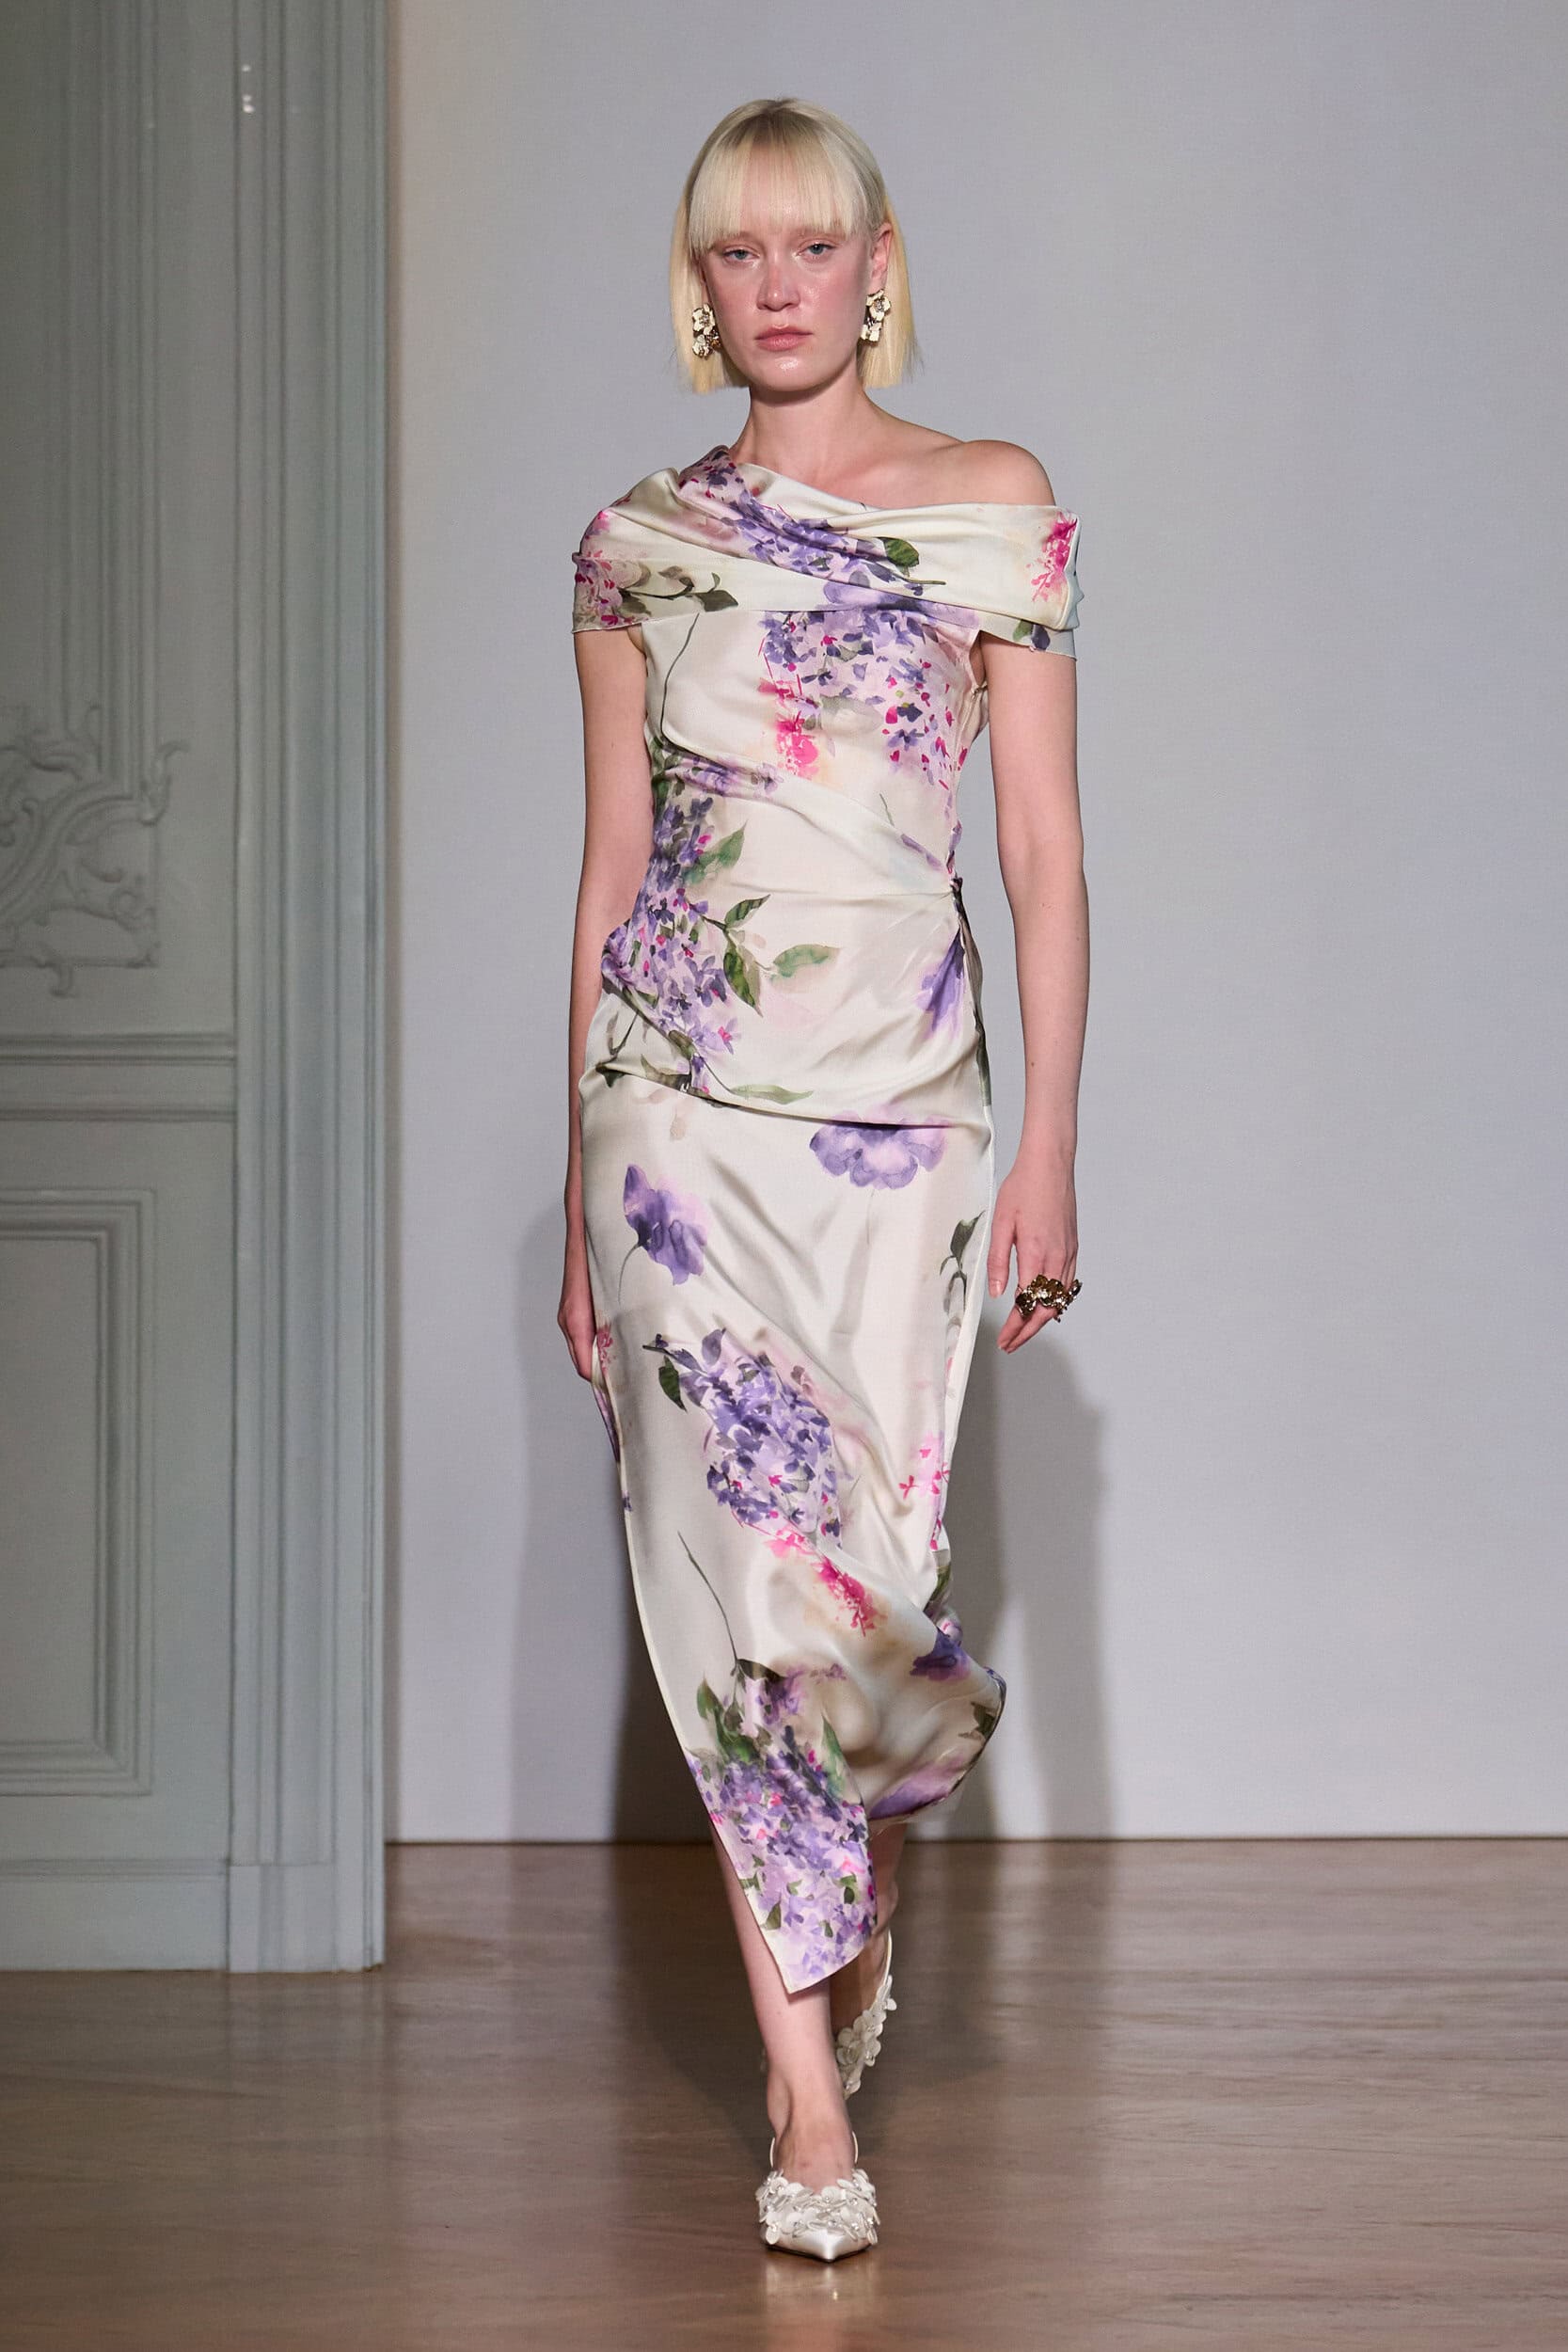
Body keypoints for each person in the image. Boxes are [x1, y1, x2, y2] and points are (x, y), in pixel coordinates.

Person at [560, 95, 1087, 2261]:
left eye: (811, 244)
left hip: (905, 1128)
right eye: (736, 250)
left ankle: (852, 1875)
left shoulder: (994, 506)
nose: (775, 283)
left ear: (877, 266)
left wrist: (1052, 1142)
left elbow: (1041, 853)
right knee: (731, 1581)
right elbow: (612, 872)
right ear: (702, 286)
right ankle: (805, 2097)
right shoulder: (635, 545)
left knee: (864, 1599)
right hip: (676, 1122)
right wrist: (576, 1183)